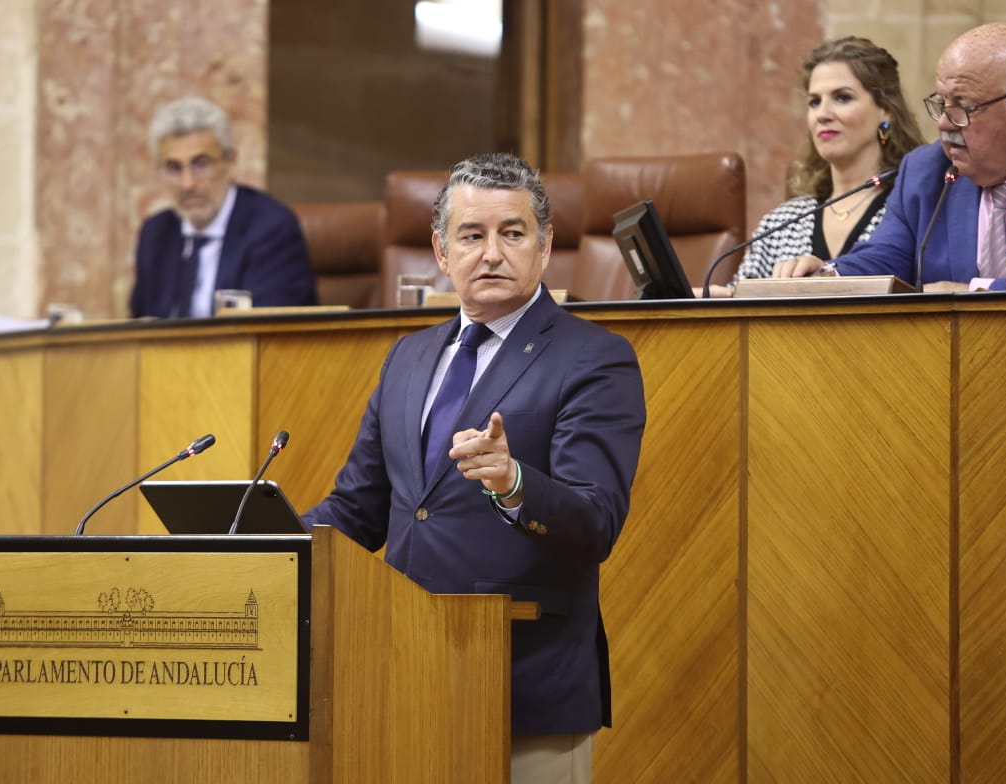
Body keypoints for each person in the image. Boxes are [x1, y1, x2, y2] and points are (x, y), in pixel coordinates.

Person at [303, 153, 645, 784]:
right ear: (440, 249)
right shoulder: (409, 357)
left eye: (512, 233)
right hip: (402, 680)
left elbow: (595, 522)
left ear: (544, 249)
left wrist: (515, 483)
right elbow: (357, 509)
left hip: (525, 687)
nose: (491, 253)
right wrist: (259, 535)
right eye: (472, 235)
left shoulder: (595, 359)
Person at [774, 22, 1006, 291]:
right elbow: (887, 256)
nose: (944, 123)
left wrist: (977, 290)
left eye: (964, 105)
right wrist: (832, 274)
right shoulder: (926, 171)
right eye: (942, 103)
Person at [712, 36, 923, 295]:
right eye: (814, 102)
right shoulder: (782, 222)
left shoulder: (910, 212)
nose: (823, 114)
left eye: (842, 98)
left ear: (886, 111)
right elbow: (736, 306)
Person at [128, 96, 318, 317]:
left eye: (201, 164)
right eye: (173, 168)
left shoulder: (271, 229)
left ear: (230, 162)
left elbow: (269, 332)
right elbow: (140, 328)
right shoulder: (156, 234)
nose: (187, 183)